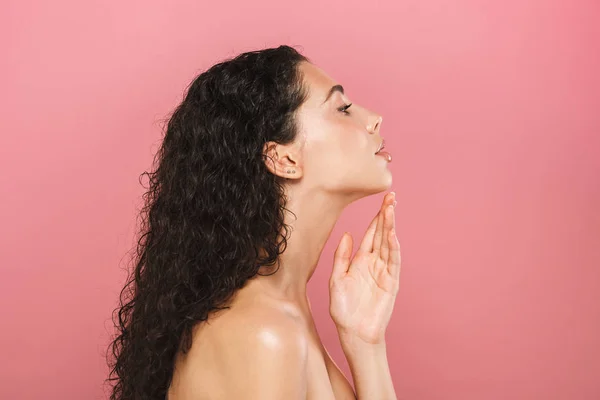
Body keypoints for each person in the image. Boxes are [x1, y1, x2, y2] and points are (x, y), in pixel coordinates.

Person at [106, 45, 400, 400]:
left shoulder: (282, 314)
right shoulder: (263, 333)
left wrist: (366, 342)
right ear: (283, 157)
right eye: (343, 108)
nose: (373, 118)